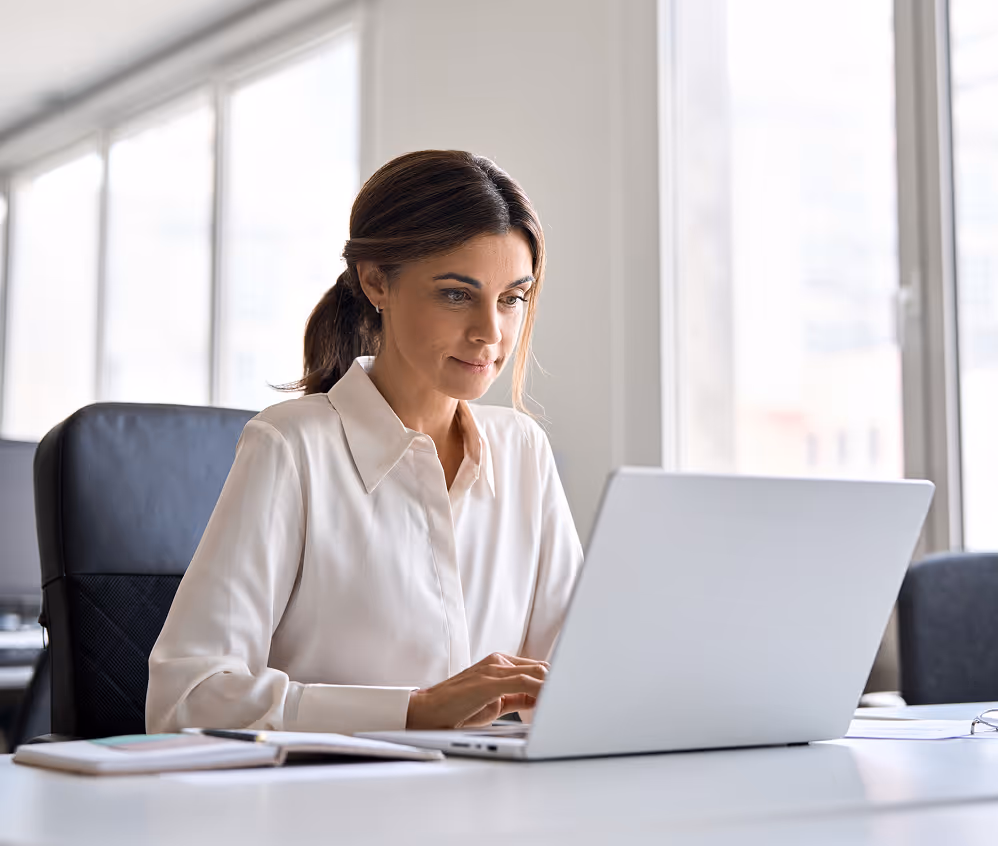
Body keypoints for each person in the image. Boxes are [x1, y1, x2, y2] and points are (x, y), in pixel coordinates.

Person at [146, 150, 583, 735]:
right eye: (457, 294)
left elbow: (574, 679)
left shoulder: (523, 451)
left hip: (496, 811)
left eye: (512, 298)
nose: (490, 332)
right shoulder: (291, 446)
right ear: (377, 281)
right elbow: (186, 701)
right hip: (334, 813)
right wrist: (414, 712)